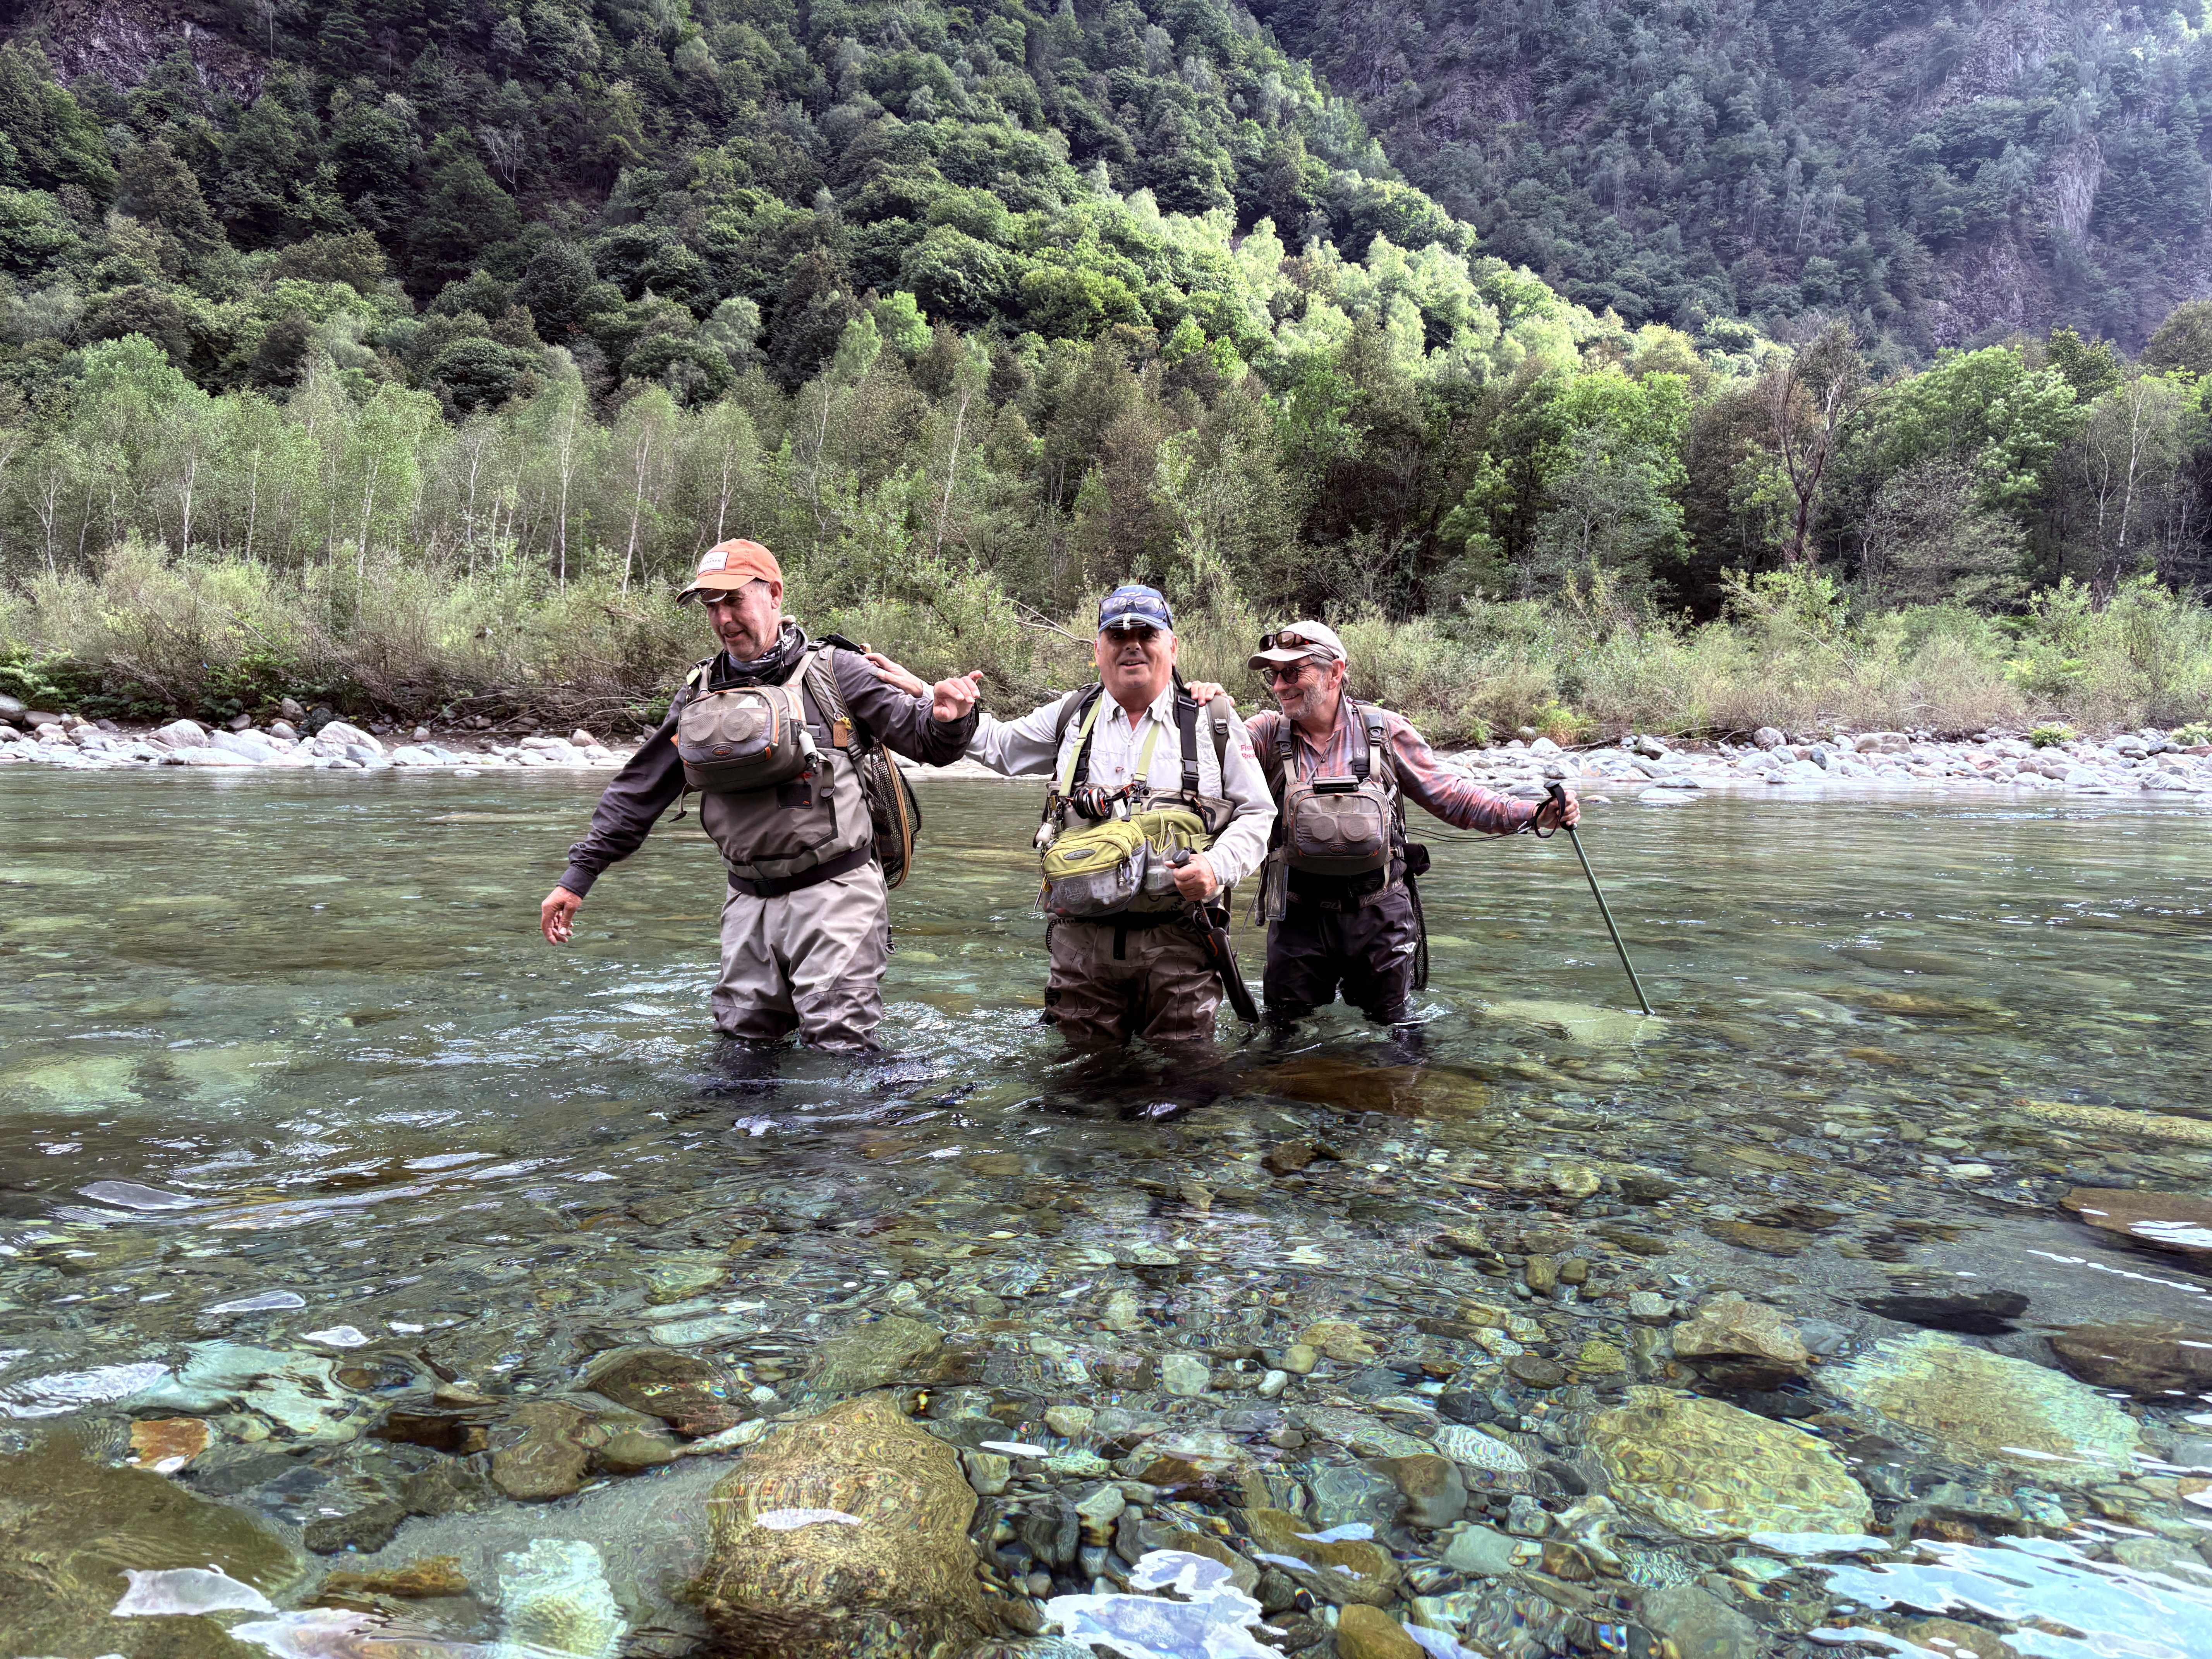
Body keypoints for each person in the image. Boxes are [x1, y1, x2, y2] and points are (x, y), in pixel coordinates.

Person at [539, 539, 982, 1051]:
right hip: (747, 902)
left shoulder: (838, 672)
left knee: (840, 1055)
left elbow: (926, 741)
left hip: (836, 895)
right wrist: (579, 877)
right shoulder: (701, 692)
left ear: (774, 595)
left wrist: (952, 718)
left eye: (734, 602)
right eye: (711, 606)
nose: (723, 619)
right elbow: (643, 788)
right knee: (742, 1053)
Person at [1187, 621, 1577, 1031]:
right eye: (1274, 675)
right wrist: (1213, 714)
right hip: (1297, 919)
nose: (1279, 686)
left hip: (1381, 916)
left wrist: (1532, 814)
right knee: (1284, 1039)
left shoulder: (1384, 731)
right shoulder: (1265, 734)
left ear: (1335, 672)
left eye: (1293, 672)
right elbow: (1208, 772)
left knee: (1398, 1037)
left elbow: (1453, 796)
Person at [963, 585, 1275, 1048]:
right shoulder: (1071, 714)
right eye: (1116, 635)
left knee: (1185, 1088)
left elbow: (1258, 814)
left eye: (1147, 633)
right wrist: (939, 706)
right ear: (1098, 650)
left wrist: (1215, 868)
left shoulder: (1214, 720)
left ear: (1172, 645)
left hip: (1182, 943)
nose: (1132, 644)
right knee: (1084, 1088)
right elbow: (997, 746)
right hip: (1080, 947)